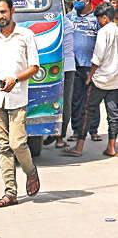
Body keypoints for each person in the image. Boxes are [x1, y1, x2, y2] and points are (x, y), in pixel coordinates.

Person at [0, 0, 41, 208]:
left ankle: (30, 171)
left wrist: (16, 79)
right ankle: (10, 193)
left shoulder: (26, 35)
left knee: (17, 144)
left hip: (17, 99)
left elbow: (35, 67)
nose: (0, 16)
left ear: (12, 11)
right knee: (3, 147)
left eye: (3, 12)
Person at [63, 3, 118, 157]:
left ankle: (79, 147)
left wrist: (89, 76)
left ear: (105, 18)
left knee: (87, 112)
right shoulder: (117, 30)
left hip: (100, 80)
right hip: (115, 81)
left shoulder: (103, 32)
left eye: (99, 18)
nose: (98, 21)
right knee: (113, 116)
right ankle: (111, 148)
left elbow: (97, 58)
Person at [67, 0, 101, 141]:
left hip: (92, 66)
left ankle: (93, 131)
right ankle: (76, 131)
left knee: (92, 99)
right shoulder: (70, 17)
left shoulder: (96, 18)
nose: (75, 2)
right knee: (76, 100)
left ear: (87, 1)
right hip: (74, 66)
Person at [44, 15, 75, 148]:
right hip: (64, 66)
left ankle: (59, 136)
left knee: (62, 103)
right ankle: (58, 136)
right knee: (63, 103)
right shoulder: (66, 22)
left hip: (62, 66)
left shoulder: (60, 22)